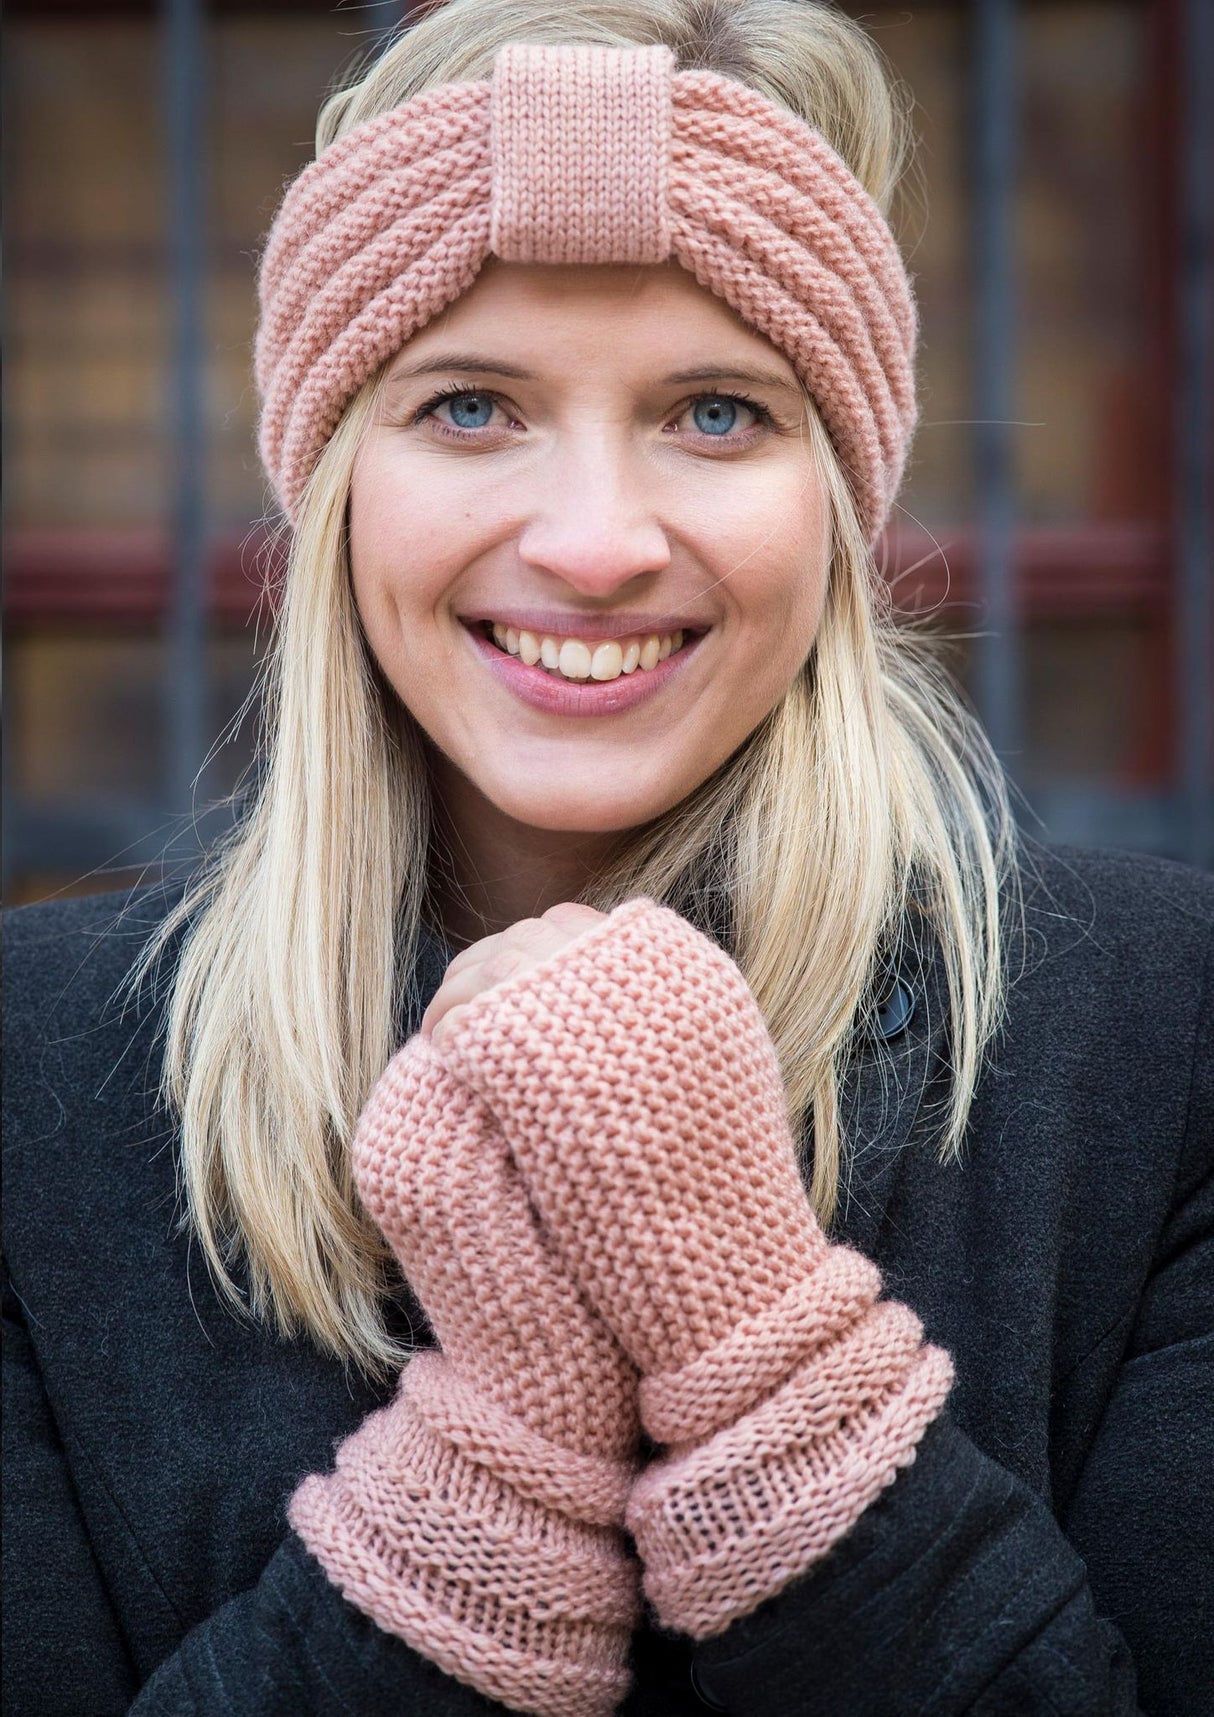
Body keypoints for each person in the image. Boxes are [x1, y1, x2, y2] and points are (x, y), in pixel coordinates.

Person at [3, 1, 1211, 1712]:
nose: (590, 542)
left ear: (839, 501)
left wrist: (752, 1347)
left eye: (715, 413)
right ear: (337, 480)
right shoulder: (28, 1076)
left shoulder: (1166, 1036)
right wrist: (486, 1484)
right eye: (471, 405)